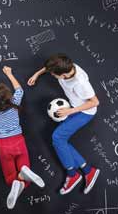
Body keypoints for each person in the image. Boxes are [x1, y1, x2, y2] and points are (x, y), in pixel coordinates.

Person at [27, 53, 100, 195]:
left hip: (85, 112)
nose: (52, 76)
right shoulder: (66, 66)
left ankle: (73, 175)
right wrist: (37, 74)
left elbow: (95, 102)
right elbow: (49, 68)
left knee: (57, 137)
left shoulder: (81, 83)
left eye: (54, 75)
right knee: (61, 140)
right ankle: (88, 171)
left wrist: (71, 111)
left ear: (64, 75)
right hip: (74, 107)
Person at [0, 66, 45, 209]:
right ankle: (23, 174)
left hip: (3, 145)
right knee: (25, 169)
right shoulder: (14, 103)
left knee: (9, 178)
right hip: (18, 141)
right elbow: (20, 89)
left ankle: (17, 180)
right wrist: (9, 73)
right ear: (9, 98)